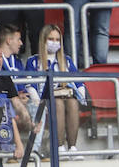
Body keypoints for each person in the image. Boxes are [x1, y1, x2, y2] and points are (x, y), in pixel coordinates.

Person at [24, 24, 85, 154]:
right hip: (44, 99)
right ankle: (59, 147)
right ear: (43, 40)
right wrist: (37, 101)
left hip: (65, 95)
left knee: (73, 103)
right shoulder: (33, 61)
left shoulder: (66, 60)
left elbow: (79, 82)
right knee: (57, 103)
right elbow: (30, 85)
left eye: (57, 40)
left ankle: (73, 148)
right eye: (51, 39)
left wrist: (81, 95)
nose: (54, 43)